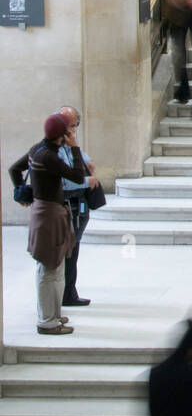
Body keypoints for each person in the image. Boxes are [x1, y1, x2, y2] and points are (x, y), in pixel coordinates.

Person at [9, 113, 90, 335]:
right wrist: (74, 148)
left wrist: (25, 193)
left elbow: (14, 170)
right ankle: (47, 322)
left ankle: (53, 316)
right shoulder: (49, 157)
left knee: (56, 268)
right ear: (62, 134)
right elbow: (77, 175)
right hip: (49, 216)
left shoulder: (38, 150)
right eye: (69, 130)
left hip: (48, 213)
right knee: (48, 268)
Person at [57, 106, 96, 309]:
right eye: (66, 126)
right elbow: (68, 179)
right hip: (64, 205)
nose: (70, 131)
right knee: (66, 252)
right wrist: (85, 181)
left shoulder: (71, 146)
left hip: (78, 205)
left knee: (74, 249)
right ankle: (64, 294)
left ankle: (70, 291)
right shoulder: (52, 148)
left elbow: (87, 164)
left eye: (73, 126)